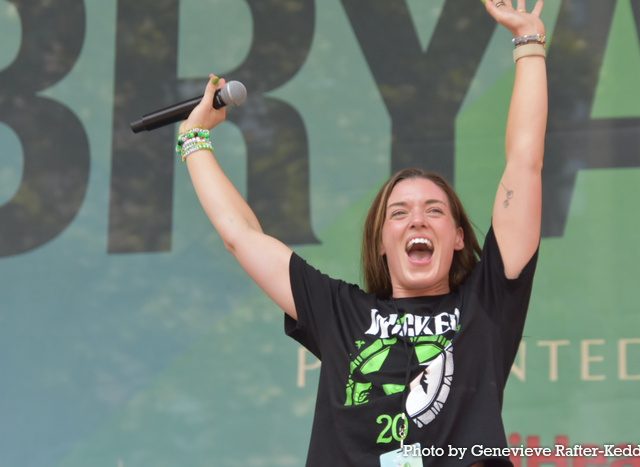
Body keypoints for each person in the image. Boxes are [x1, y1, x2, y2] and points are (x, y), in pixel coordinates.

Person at [177, 0, 546, 464]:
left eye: (434, 210)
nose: (417, 220)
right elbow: (242, 236)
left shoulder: (486, 303)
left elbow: (524, 164)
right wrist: (195, 140)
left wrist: (529, 44)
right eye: (399, 213)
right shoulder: (340, 313)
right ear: (380, 243)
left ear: (457, 237)